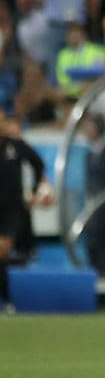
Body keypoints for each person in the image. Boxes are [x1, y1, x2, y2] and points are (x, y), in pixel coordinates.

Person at [0, 112, 54, 313]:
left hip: (12, 210)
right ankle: (7, 300)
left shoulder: (15, 147)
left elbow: (37, 163)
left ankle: (8, 301)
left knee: (2, 250)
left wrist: (32, 190)